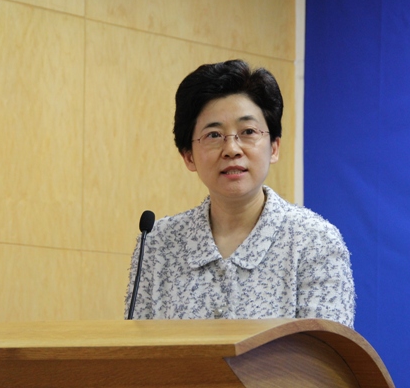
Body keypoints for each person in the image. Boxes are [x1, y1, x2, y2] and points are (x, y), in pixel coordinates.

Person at [125, 59, 355, 328]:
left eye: (248, 132)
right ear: (188, 156)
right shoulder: (157, 244)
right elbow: (137, 348)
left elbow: (324, 353)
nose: (232, 149)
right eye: (213, 135)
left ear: (274, 147)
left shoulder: (314, 241)